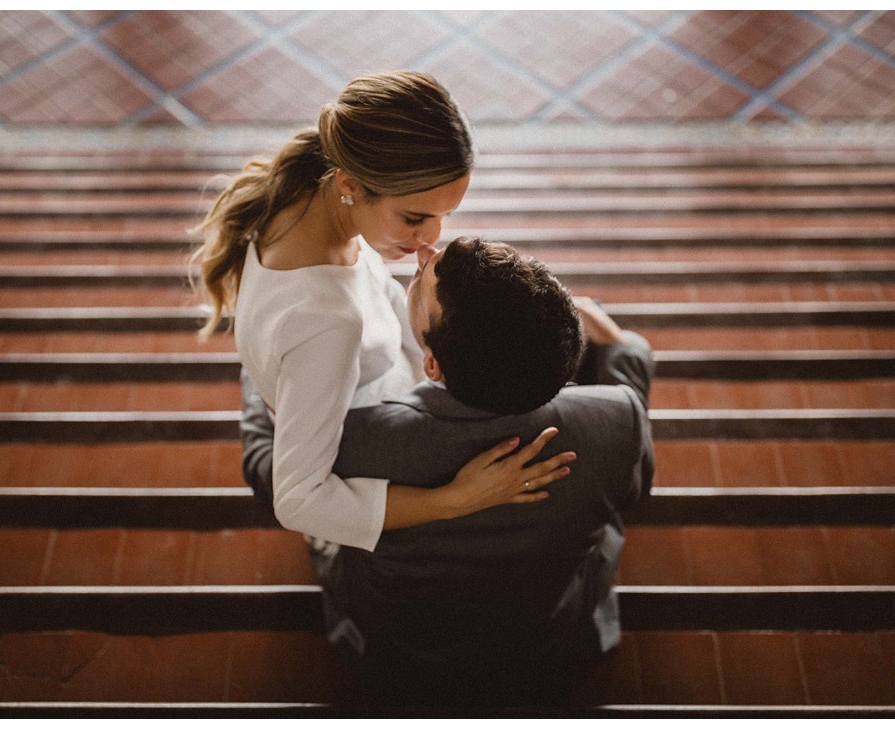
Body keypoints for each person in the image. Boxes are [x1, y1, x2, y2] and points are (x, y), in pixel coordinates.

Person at [241, 237, 656, 706]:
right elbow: (634, 496)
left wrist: (264, 389)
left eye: (423, 276)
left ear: (432, 364)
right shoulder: (618, 421)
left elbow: (268, 472)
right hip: (551, 632)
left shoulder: (356, 440)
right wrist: (625, 346)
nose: (422, 253)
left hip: (395, 643)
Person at [193, 71, 574, 552]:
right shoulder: (329, 324)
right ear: (352, 184)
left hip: (340, 385)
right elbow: (297, 500)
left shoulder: (311, 186)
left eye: (443, 215)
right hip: (354, 437)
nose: (432, 238)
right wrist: (456, 499)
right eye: (415, 218)